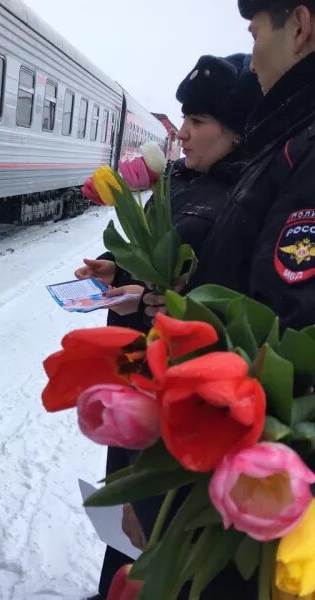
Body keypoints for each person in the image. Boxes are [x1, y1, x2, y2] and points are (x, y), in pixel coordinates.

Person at [76, 53, 263, 599]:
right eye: (184, 119)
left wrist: (160, 299)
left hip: (182, 372)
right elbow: (159, 255)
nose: (182, 134)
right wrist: (120, 269)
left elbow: (228, 296)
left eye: (198, 122)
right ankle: (118, 582)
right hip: (139, 358)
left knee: (157, 489)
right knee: (125, 475)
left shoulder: (245, 196)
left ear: (237, 130)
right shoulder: (180, 179)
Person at [182, 0, 315, 331]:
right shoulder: (287, 141)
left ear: (299, 28)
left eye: (255, 36)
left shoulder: (301, 149)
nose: (252, 66)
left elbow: (285, 330)